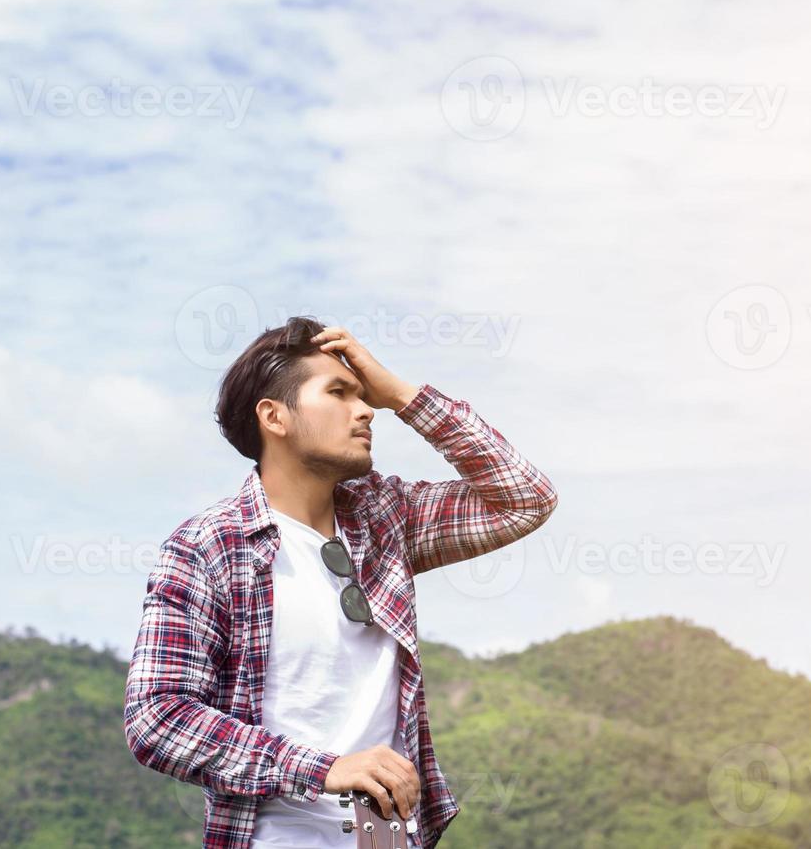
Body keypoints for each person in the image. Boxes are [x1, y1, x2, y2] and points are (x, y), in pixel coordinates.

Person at [124, 316, 559, 849]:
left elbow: (525, 498)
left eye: (364, 394)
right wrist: (326, 769)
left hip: (390, 840)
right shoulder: (208, 547)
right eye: (338, 392)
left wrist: (402, 394)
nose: (365, 408)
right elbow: (158, 717)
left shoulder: (384, 521)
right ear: (274, 417)